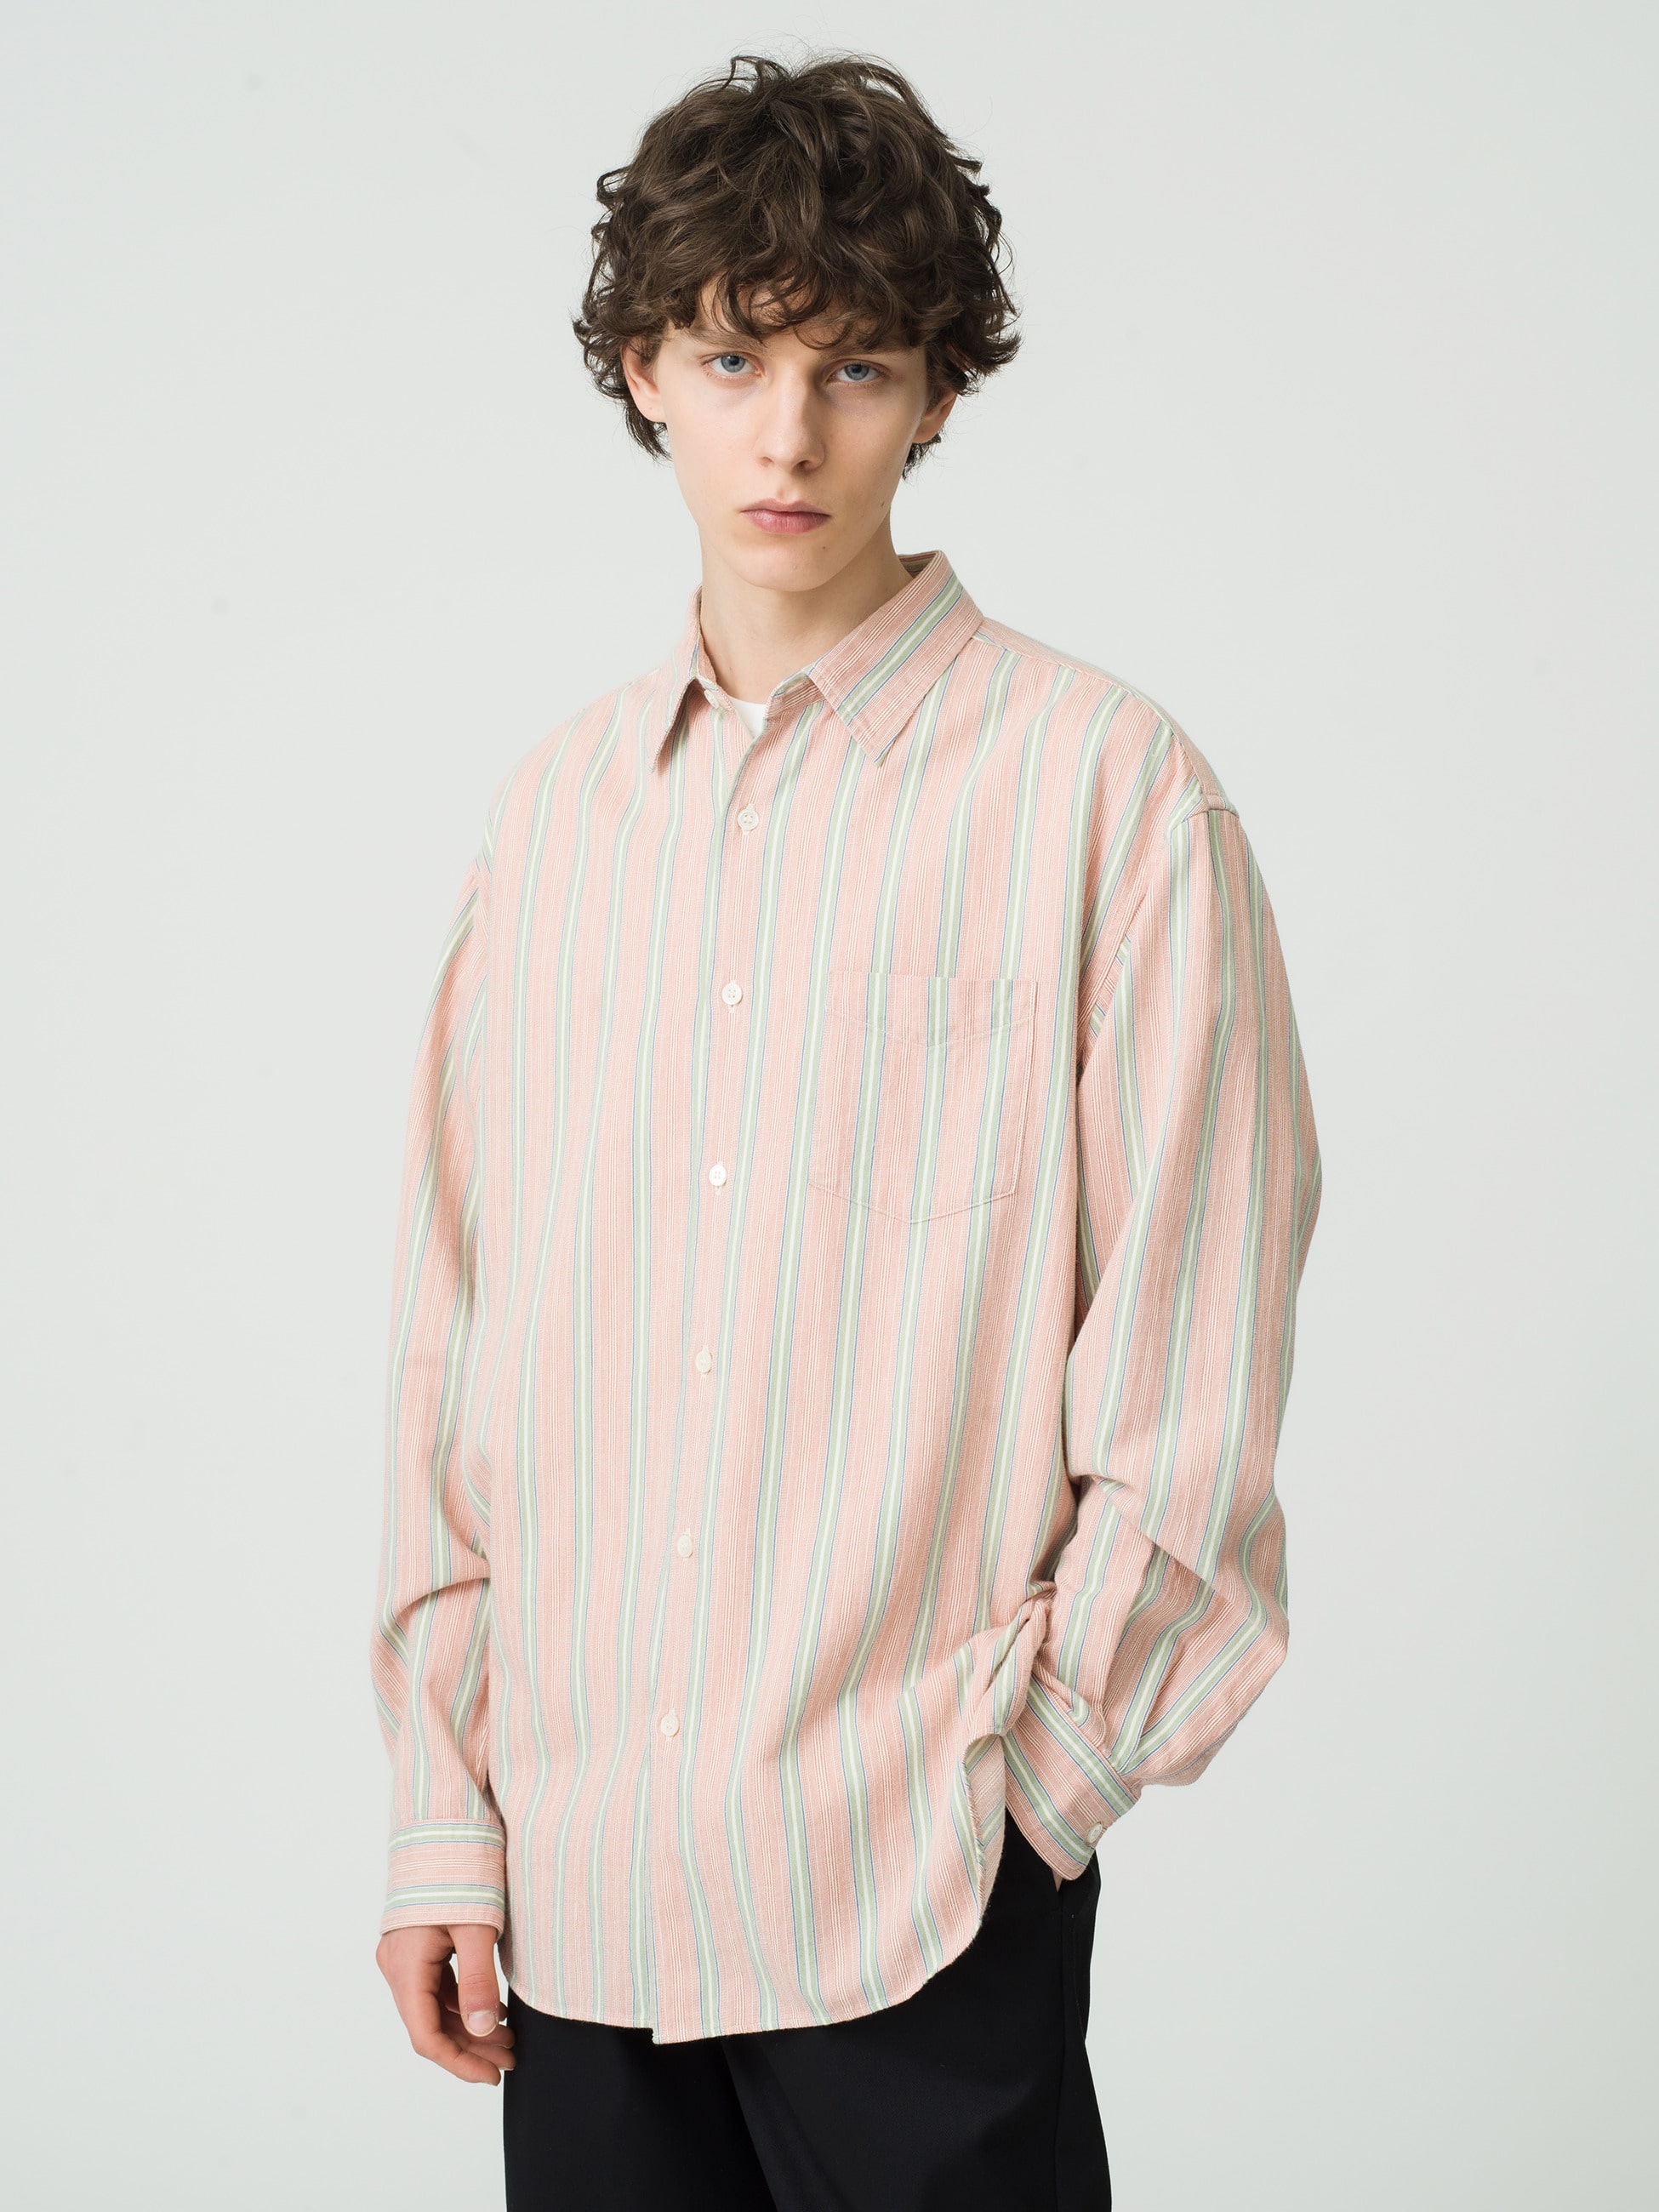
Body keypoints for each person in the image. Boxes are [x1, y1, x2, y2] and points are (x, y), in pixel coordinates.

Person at [370, 48, 1321, 2212]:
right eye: (732, 359)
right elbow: (458, 1344)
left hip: (911, 1881)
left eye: (855, 366)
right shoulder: (556, 823)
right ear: (645, 371)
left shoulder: (1107, 794)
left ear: (936, 394)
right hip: (581, 1884)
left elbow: (1196, 1351)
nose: (788, 435)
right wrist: (444, 1804)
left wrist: (1035, 1789)